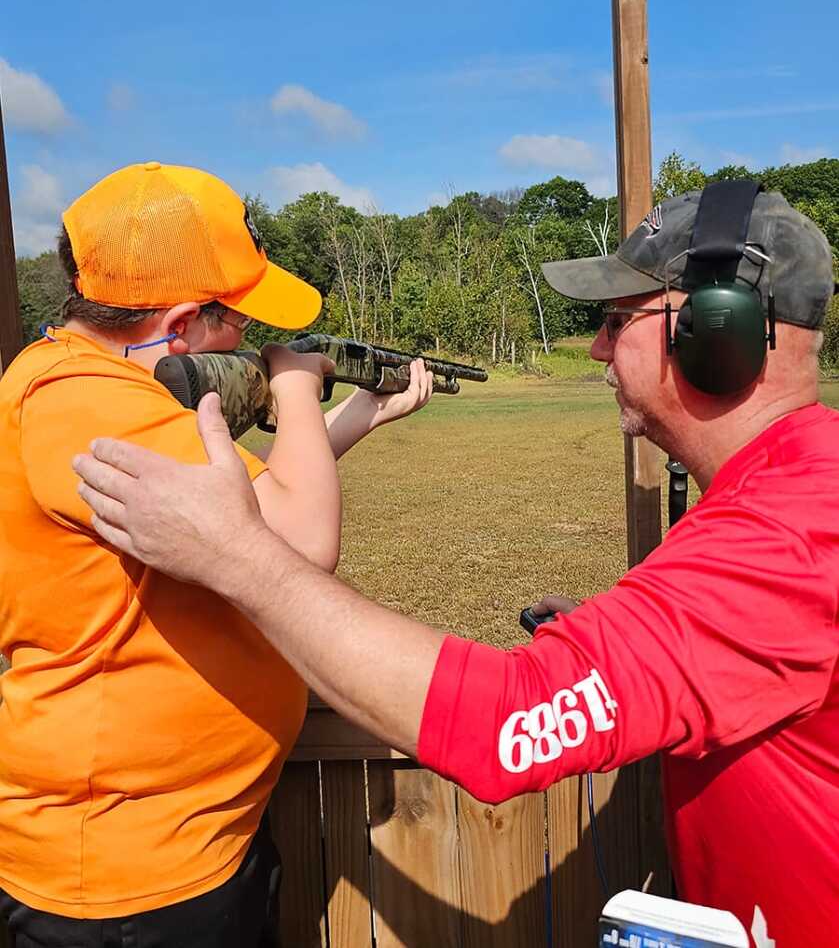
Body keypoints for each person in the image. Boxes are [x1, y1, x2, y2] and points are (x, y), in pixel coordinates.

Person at [72, 184, 838, 945]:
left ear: (716, 332)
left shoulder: (787, 528)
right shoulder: (788, 493)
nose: (599, 347)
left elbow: (507, 720)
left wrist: (236, 557)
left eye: (615, 322)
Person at [0, 161, 433, 947]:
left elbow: (240, 511)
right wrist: (297, 390)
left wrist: (359, 416)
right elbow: (298, 542)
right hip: (129, 876)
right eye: (238, 322)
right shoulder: (90, 401)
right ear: (183, 324)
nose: (253, 341)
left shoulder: (93, 387)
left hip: (181, 840)